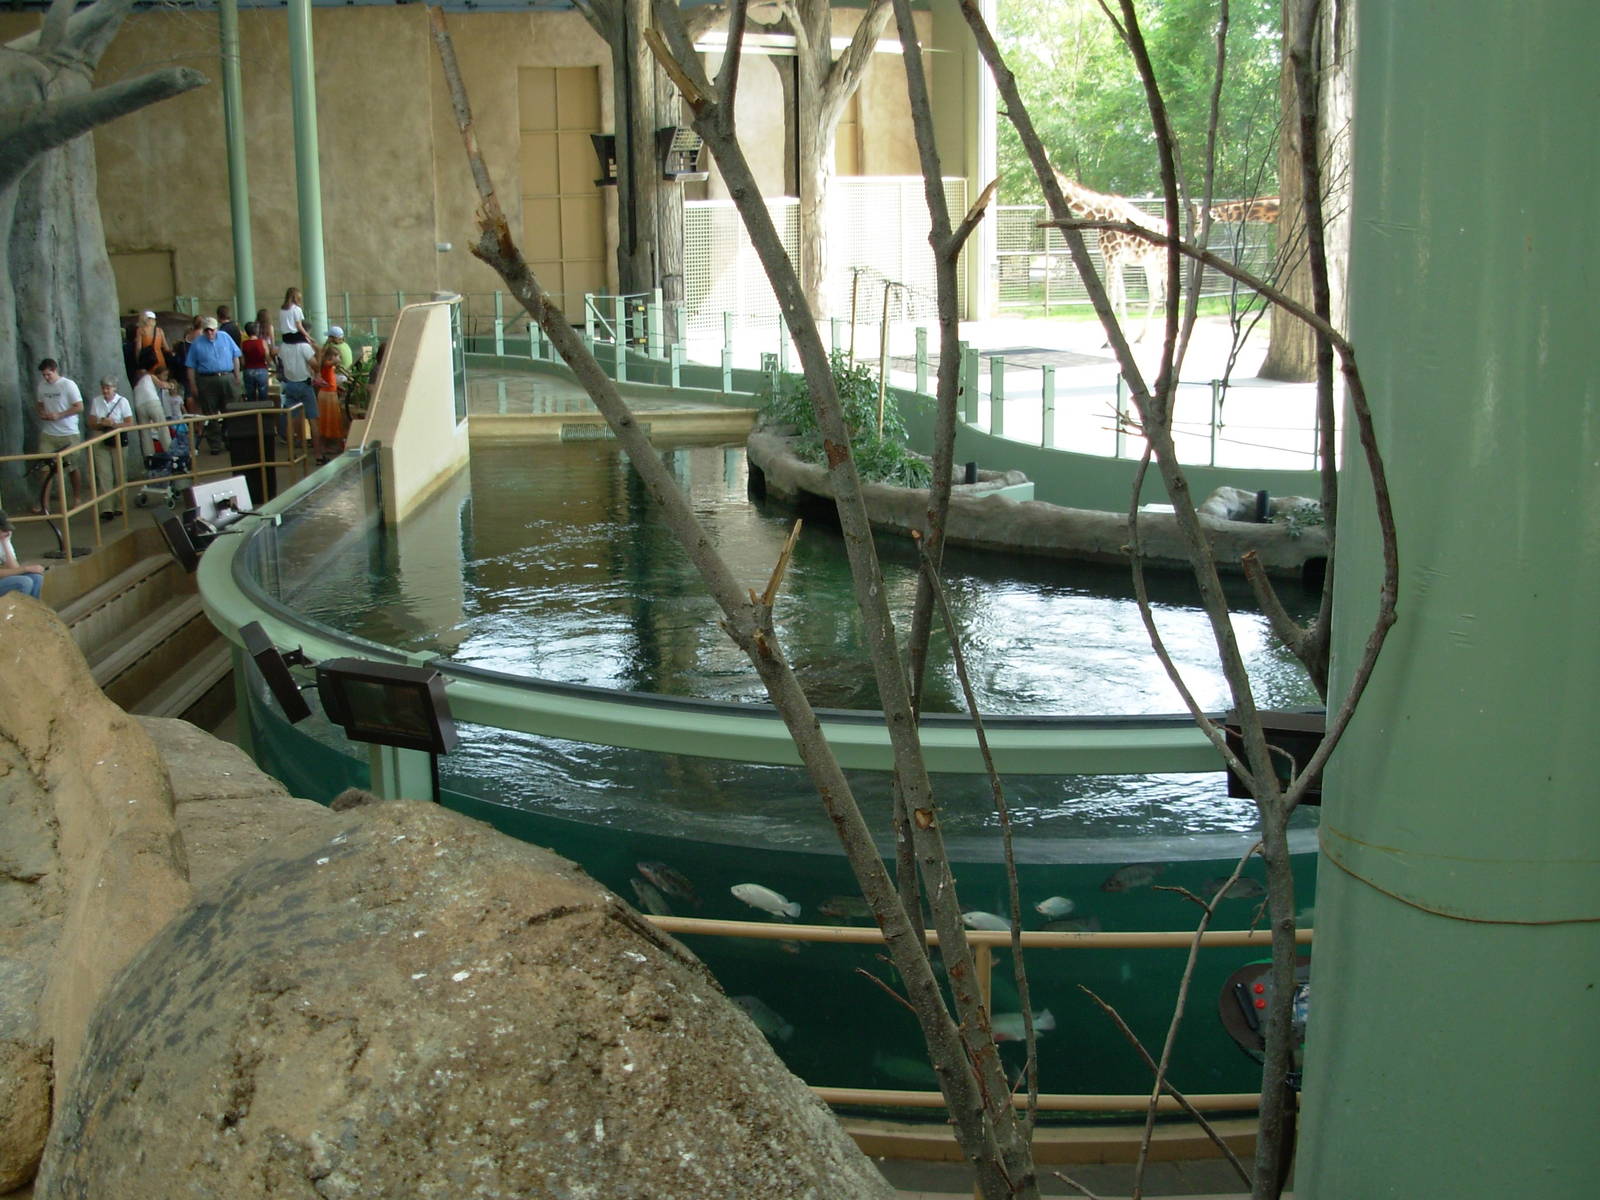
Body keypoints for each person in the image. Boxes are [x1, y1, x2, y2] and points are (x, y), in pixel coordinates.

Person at [186, 315, 242, 453]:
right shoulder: (197, 343)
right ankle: (215, 444)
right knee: (210, 413)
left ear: (216, 328)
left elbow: (235, 355)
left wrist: (237, 375)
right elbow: (190, 366)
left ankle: (230, 439)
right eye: (207, 330)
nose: (210, 333)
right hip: (207, 380)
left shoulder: (225, 337)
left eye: (212, 330)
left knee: (230, 410)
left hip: (227, 376)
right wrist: (193, 385)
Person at [34, 359, 83, 511]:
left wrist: (60, 415)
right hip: (49, 433)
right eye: (44, 375)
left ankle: (76, 498)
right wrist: (42, 413)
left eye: (48, 374)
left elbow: (79, 406)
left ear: (55, 370)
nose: (46, 378)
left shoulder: (68, 385)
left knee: (72, 467)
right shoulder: (42, 386)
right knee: (45, 469)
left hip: (68, 433)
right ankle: (45, 504)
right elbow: (40, 403)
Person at [87, 376, 134, 520]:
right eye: (103, 388)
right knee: (104, 473)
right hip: (101, 438)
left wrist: (113, 424)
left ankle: (121, 504)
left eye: (108, 388)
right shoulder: (97, 401)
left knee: (120, 472)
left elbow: (129, 423)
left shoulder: (122, 401)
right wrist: (102, 423)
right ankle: (107, 507)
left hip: (117, 439)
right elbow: (91, 422)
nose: (105, 390)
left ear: (114, 388)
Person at [131, 348, 180, 458]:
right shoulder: (149, 376)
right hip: (152, 402)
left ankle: (149, 456)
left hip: (139, 405)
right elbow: (162, 385)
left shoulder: (136, 377)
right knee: (162, 427)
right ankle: (170, 454)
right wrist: (171, 385)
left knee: (145, 432)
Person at [277, 331, 319, 455]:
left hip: (289, 384)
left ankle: (291, 455)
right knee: (312, 419)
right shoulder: (304, 347)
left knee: (291, 420)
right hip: (304, 384)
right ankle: (318, 455)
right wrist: (318, 352)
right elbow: (315, 365)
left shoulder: (283, 347)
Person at [0, 512, 45, 600]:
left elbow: (14, 567)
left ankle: (33, 610)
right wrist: (26, 568)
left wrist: (5, 543)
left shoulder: (3, 538)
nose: (6, 532)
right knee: (24, 582)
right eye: (2, 529)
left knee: (36, 577)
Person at [314, 342, 347, 462]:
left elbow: (330, 379)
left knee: (331, 420)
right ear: (330, 357)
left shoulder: (329, 366)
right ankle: (324, 446)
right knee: (327, 420)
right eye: (336, 356)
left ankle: (329, 445)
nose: (338, 358)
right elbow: (331, 362)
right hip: (327, 396)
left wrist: (338, 388)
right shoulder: (326, 364)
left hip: (330, 393)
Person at [127, 310, 170, 375]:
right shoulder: (160, 330)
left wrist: (138, 360)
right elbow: (166, 348)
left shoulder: (141, 330)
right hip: (160, 360)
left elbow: (138, 348)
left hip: (149, 360)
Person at [240, 321, 272, 408]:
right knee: (263, 393)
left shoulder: (243, 344)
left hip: (248, 369)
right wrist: (268, 365)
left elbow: (242, 361)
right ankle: (263, 412)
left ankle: (252, 413)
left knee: (250, 394)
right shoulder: (262, 342)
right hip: (261, 369)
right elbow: (267, 356)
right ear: (257, 331)